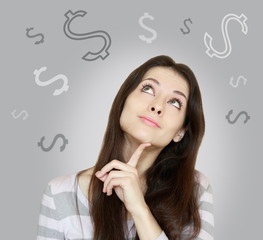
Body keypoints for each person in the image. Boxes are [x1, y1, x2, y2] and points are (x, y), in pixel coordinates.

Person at [37, 55, 214, 240]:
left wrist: (139, 209)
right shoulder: (60, 193)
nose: (157, 106)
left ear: (181, 132)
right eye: (148, 89)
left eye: (175, 102)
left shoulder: (195, 189)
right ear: (123, 102)